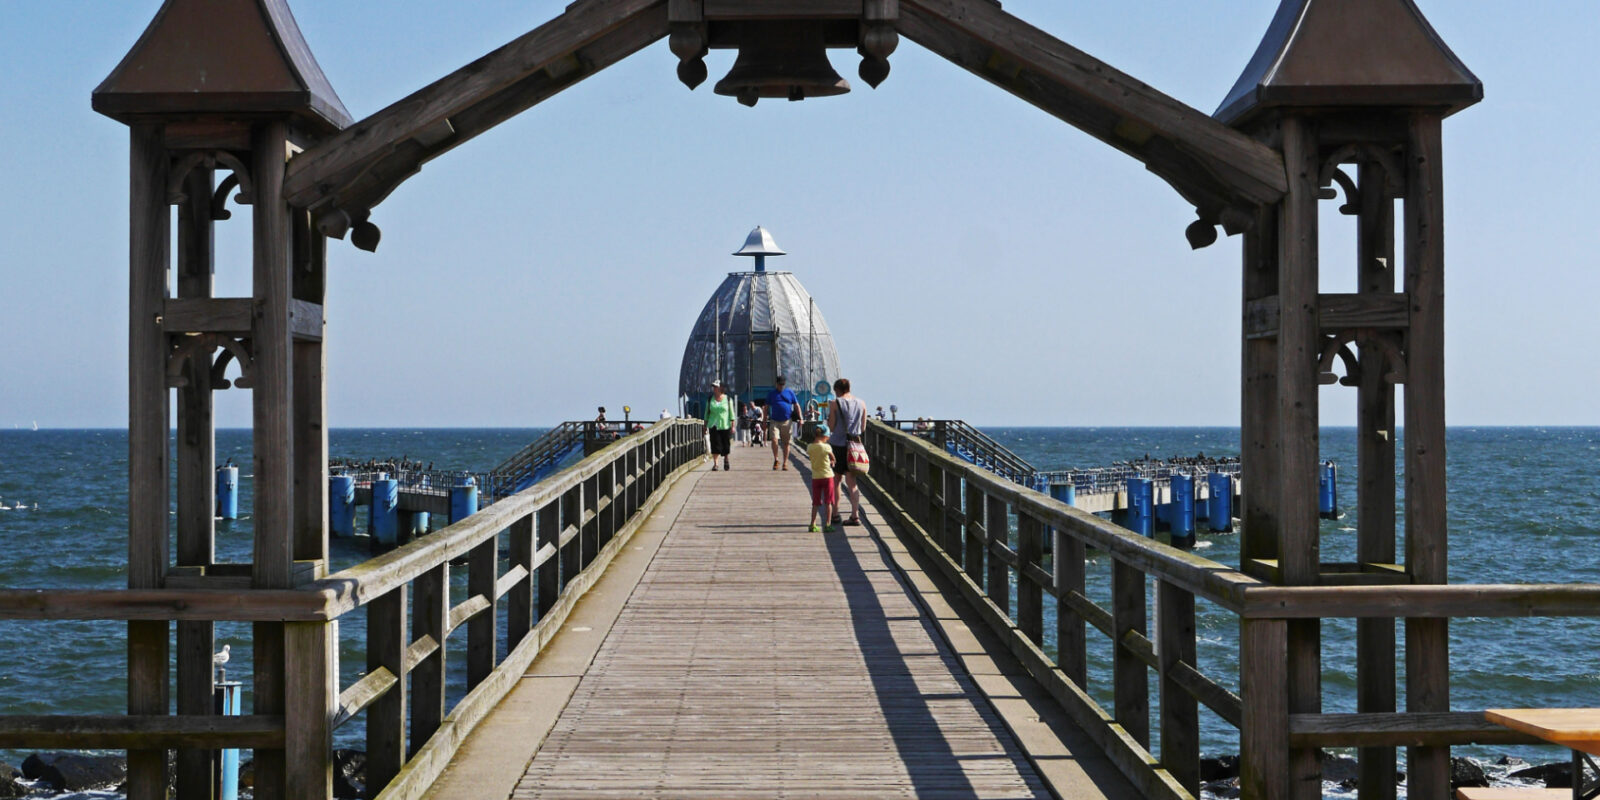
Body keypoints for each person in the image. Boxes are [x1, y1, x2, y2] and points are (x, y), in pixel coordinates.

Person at [826, 377, 867, 526]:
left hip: (838, 444)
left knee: (836, 480)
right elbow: (862, 428)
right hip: (854, 445)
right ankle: (855, 515)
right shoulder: (861, 403)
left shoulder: (835, 403)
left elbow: (831, 426)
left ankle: (835, 513)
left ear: (837, 390)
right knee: (852, 482)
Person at [764, 375, 800, 471]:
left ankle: (785, 462)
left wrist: (801, 418)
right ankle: (776, 459)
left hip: (787, 421)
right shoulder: (771, 394)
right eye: (780, 384)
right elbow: (766, 407)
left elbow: (796, 405)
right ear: (776, 384)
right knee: (774, 440)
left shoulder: (789, 392)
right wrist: (764, 421)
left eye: (783, 385)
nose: (781, 386)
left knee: (786, 443)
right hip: (775, 420)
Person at [806, 424, 837, 533]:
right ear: (824, 436)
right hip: (828, 476)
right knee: (828, 502)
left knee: (815, 502)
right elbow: (833, 458)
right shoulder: (827, 447)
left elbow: (811, 455)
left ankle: (812, 524)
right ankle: (828, 524)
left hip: (816, 477)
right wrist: (832, 462)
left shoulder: (809, 447)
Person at [704, 380, 735, 471]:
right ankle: (716, 464)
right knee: (715, 444)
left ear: (720, 388)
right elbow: (706, 413)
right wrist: (705, 425)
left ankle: (726, 459)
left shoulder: (728, 399)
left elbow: (731, 414)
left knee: (725, 444)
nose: (714, 389)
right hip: (713, 424)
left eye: (716, 387)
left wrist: (733, 426)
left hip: (725, 424)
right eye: (713, 387)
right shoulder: (710, 399)